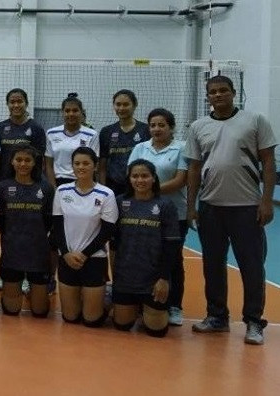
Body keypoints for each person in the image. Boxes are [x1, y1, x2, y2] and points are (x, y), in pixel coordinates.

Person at [186, 75, 275, 345]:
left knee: (251, 265)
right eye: (213, 92)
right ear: (208, 97)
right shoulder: (198, 127)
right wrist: (191, 206)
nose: (218, 95)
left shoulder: (255, 121)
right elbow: (194, 168)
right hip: (210, 207)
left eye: (223, 90)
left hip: (247, 207)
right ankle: (217, 317)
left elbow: (268, 161)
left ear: (234, 93)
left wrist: (266, 201)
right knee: (213, 266)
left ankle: (254, 321)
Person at [127, 107, 188, 326]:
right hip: (142, 212)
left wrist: (150, 191)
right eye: (153, 125)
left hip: (175, 213)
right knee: (144, 256)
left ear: (171, 127)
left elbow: (181, 180)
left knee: (173, 259)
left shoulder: (181, 148)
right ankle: (143, 299)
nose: (156, 129)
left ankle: (174, 305)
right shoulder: (140, 148)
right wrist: (144, 193)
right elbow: (131, 175)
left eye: (162, 125)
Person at [111, 160, 181, 338]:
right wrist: (114, 274)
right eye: (135, 176)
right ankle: (110, 296)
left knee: (156, 331)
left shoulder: (165, 205)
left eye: (145, 176)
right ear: (129, 179)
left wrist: (164, 279)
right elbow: (114, 242)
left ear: (154, 178)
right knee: (122, 325)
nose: (140, 180)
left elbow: (171, 245)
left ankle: (146, 308)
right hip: (126, 277)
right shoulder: (120, 202)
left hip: (153, 279)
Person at [51, 147, 117, 327]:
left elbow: (107, 230)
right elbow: (57, 226)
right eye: (77, 163)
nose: (81, 167)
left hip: (93, 258)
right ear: (72, 166)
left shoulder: (106, 194)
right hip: (67, 257)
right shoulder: (62, 191)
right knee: (70, 318)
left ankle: (106, 295)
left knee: (91, 321)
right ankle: (85, 297)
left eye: (86, 163)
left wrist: (84, 254)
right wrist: (66, 253)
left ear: (95, 166)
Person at [0, 145, 53, 317]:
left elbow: (48, 221)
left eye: (27, 160)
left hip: (38, 253)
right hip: (12, 252)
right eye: (18, 160)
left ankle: (35, 293)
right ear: (12, 162)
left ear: (35, 163)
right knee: (11, 311)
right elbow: (0, 220)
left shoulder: (46, 189)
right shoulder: (2, 188)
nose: (23, 164)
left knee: (39, 312)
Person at [99, 89, 151, 195]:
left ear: (134, 105)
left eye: (126, 104)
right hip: (112, 187)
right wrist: (103, 189)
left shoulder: (146, 130)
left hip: (138, 186)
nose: (121, 108)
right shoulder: (106, 131)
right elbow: (102, 165)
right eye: (118, 104)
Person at [44, 93, 99, 187]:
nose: (71, 114)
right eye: (67, 111)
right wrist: (54, 189)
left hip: (82, 182)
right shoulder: (51, 133)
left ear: (81, 112)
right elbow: (48, 165)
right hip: (58, 182)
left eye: (75, 110)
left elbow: (94, 165)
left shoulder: (92, 134)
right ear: (62, 113)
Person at [0, 88, 46, 182]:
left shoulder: (36, 128)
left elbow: (40, 159)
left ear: (26, 103)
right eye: (12, 102)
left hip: (28, 182)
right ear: (7, 104)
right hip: (2, 180)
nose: (16, 105)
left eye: (19, 101)